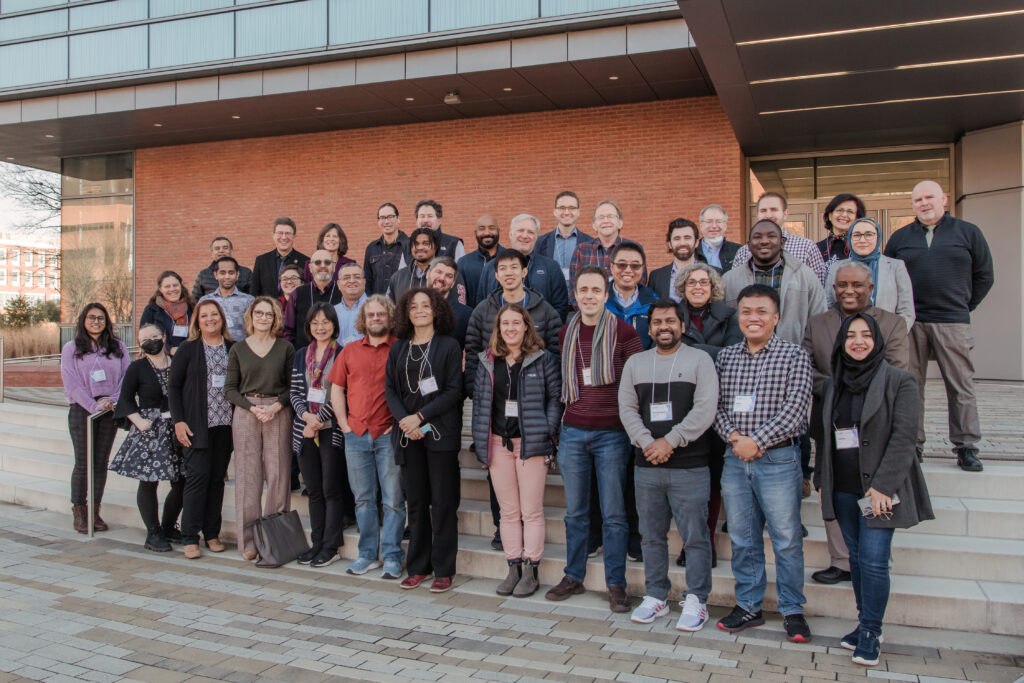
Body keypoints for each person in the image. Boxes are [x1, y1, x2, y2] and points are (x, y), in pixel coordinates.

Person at [813, 313, 933, 666]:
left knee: (875, 561)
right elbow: (825, 436)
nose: (859, 341)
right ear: (842, 342)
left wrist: (882, 487)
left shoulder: (900, 381)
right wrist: (823, 481)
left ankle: (871, 630)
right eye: (851, 335)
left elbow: (904, 438)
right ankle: (865, 622)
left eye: (866, 335)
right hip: (845, 489)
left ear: (877, 341)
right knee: (856, 558)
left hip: (877, 492)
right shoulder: (835, 384)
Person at [714, 284, 813, 643]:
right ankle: (749, 606)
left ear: (775, 317)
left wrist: (757, 441)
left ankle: (792, 610)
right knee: (743, 538)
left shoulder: (795, 356)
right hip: (735, 459)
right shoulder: (725, 358)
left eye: (760, 312)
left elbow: (796, 409)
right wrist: (737, 439)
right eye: (745, 311)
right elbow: (717, 408)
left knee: (786, 539)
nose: (752, 318)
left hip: (779, 460)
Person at [803, 261, 910, 586]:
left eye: (857, 285)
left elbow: (896, 367)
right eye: (842, 285)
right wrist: (838, 387)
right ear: (833, 288)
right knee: (835, 490)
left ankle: (875, 561)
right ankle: (842, 560)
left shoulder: (891, 324)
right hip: (832, 422)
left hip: (877, 427)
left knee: (873, 496)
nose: (849, 291)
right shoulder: (818, 322)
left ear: (871, 288)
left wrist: (847, 384)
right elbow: (806, 368)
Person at [545, 266, 643, 613]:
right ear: (576, 295)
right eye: (583, 289)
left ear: (607, 294)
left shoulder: (625, 331)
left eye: (596, 290)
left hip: (612, 435)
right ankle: (573, 574)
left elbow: (636, 384)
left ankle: (616, 582)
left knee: (614, 513)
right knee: (576, 513)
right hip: (572, 432)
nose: (588, 295)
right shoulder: (564, 332)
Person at [619, 300, 718, 630]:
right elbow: (627, 409)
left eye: (670, 321)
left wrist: (670, 441)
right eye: (658, 322)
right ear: (649, 328)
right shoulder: (635, 363)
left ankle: (697, 599)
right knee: (650, 536)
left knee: (695, 537)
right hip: (646, 465)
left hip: (689, 465)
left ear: (682, 326)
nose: (664, 327)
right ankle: (656, 595)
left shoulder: (699, 360)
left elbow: (705, 409)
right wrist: (648, 443)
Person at [884, 180, 994, 471]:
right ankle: (912, 446)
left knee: (961, 387)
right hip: (911, 324)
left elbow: (985, 276)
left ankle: (966, 447)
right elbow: (888, 278)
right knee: (910, 387)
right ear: (912, 205)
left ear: (943, 198)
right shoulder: (900, 238)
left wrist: (963, 306)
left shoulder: (968, 232)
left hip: (952, 322)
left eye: (929, 197)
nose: (924, 203)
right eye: (918, 199)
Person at [470, 303, 561, 597]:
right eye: (505, 324)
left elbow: (554, 399)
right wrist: (481, 443)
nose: (510, 328)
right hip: (498, 444)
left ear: (526, 327)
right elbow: (480, 404)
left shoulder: (542, 359)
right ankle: (513, 567)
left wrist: (547, 431)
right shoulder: (487, 360)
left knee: (531, 511)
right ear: (498, 328)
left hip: (530, 444)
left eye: (516, 323)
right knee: (509, 512)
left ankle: (531, 569)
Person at [384, 288, 464, 593]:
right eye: (413, 306)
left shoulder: (449, 346)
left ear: (436, 310)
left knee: (443, 503)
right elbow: (390, 390)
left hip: (440, 434)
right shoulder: (398, 348)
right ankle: (418, 566)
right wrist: (406, 421)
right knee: (415, 503)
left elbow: (453, 391)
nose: (419, 310)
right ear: (406, 312)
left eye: (425, 305)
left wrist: (420, 418)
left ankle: (444, 569)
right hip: (408, 436)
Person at [329, 295, 406, 579]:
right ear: (364, 319)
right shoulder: (349, 351)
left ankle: (393, 556)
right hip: (356, 435)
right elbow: (336, 388)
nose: (375, 318)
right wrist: (342, 423)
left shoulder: (400, 349)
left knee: (393, 500)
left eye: (380, 314)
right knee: (363, 499)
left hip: (388, 435)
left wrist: (397, 422)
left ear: (389, 317)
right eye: (371, 315)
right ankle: (367, 555)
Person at [673, 263, 742, 569]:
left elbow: (732, 357)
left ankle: (707, 541)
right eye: (692, 282)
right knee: (688, 484)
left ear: (713, 286)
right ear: (683, 287)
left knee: (712, 481)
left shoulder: (730, 317)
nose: (698, 287)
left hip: (720, 408)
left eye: (703, 282)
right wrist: (709, 353)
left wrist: (693, 353)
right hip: (682, 408)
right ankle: (690, 542)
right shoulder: (673, 316)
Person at [225, 297, 295, 561]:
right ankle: (249, 542)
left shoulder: (285, 347)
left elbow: (291, 385)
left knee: (278, 475)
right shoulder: (239, 349)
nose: (263, 318)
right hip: (247, 411)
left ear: (275, 318)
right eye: (259, 313)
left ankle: (273, 538)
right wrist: (251, 407)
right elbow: (230, 388)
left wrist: (276, 406)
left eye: (268, 314)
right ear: (250, 317)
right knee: (247, 477)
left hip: (277, 410)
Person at [168, 298, 234, 560]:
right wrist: (178, 421)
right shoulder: (188, 349)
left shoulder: (233, 348)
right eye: (204, 315)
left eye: (214, 315)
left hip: (225, 427)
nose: (210, 319)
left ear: (222, 318)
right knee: (197, 480)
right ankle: (189, 536)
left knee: (217, 481)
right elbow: (173, 387)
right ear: (197, 320)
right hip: (197, 426)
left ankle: (212, 533)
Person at [110, 323, 184, 552]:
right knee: (149, 480)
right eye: (145, 339)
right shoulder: (137, 367)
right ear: (140, 344)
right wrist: (138, 420)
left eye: (155, 336)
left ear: (163, 337)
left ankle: (168, 526)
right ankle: (153, 532)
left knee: (182, 481)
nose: (151, 341)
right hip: (150, 428)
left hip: (177, 426)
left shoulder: (178, 364)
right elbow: (125, 399)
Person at [290, 303, 353, 568]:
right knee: (313, 490)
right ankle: (316, 543)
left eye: (325, 322)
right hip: (304, 429)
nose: (320, 327)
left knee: (331, 489)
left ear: (334, 325)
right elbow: (293, 392)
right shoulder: (301, 354)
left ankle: (331, 545)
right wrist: (307, 417)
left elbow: (344, 392)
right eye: (315, 322)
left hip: (330, 431)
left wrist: (319, 420)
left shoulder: (343, 353)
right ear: (309, 326)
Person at [61, 303, 130, 534]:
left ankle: (95, 511)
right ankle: (79, 511)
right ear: (83, 320)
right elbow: (72, 384)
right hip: (83, 409)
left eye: (101, 318)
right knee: (83, 463)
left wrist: (111, 401)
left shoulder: (117, 347)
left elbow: (126, 378)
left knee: (100, 464)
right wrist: (93, 405)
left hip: (109, 409)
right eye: (91, 318)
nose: (96, 322)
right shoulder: (71, 348)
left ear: (106, 322)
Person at [465, 249, 562, 398]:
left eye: (514, 267)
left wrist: (551, 391)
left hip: (534, 395)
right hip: (492, 395)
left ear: (524, 272)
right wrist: (475, 390)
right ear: (496, 275)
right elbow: (472, 354)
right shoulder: (482, 311)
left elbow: (555, 355)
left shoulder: (545, 311)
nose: (508, 273)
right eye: (503, 268)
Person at [724, 219, 826, 345]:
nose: (764, 241)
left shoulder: (806, 276)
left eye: (771, 236)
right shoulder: (729, 280)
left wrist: (804, 357)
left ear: (782, 242)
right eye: (757, 237)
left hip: (793, 359)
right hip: (743, 361)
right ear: (749, 245)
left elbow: (820, 324)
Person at [826, 218, 916, 331]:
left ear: (877, 237)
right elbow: (828, 306)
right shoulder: (836, 268)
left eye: (869, 234)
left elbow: (906, 311)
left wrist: (893, 336)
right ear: (850, 238)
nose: (862, 240)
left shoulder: (895, 267)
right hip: (846, 338)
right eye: (857, 235)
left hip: (886, 337)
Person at [476, 214, 570, 321]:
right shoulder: (491, 267)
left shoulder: (551, 267)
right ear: (510, 234)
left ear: (536, 238)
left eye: (530, 232)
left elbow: (560, 306)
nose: (525, 236)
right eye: (520, 230)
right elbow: (481, 304)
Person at [732, 193, 828, 284]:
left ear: (785, 213)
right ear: (757, 214)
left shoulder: (807, 247)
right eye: (763, 210)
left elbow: (819, 288)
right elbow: (735, 287)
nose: (768, 215)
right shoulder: (744, 252)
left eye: (774, 209)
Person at [568, 200, 647, 304]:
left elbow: (641, 284)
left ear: (620, 223)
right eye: (601, 217)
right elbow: (574, 290)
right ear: (594, 225)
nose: (606, 220)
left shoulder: (634, 249)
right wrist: (589, 314)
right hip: (591, 315)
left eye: (610, 216)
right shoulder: (581, 250)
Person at [284, 249, 343, 350]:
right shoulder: (297, 293)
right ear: (310, 268)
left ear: (334, 266)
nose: (323, 265)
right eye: (318, 262)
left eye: (327, 262)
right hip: (303, 358)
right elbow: (289, 331)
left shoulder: (343, 292)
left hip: (337, 357)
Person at [606, 241, 658, 350]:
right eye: (621, 265)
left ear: (642, 268)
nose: (628, 270)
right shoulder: (600, 302)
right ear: (611, 267)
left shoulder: (654, 304)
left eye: (635, 265)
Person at [535, 190, 595, 281]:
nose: (567, 212)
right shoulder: (540, 242)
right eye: (562, 208)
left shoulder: (591, 243)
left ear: (578, 212)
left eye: (572, 208)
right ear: (555, 212)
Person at [198, 256, 254, 342]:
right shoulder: (205, 301)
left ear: (237, 275)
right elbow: (198, 326)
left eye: (231, 273)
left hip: (240, 349)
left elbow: (254, 328)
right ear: (216, 275)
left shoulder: (248, 300)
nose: (227, 276)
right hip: (213, 348)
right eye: (222, 273)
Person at [250, 217, 310, 297]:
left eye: (288, 233)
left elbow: (308, 291)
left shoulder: (306, 261)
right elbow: (254, 292)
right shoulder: (261, 261)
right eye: (280, 233)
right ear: (273, 236)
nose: (284, 237)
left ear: (294, 236)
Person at [140, 270, 195, 353]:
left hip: (189, 358)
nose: (172, 289)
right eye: (167, 286)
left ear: (181, 286)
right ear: (160, 289)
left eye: (175, 285)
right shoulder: (151, 311)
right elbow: (145, 340)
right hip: (161, 360)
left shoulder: (192, 308)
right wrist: (169, 349)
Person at [648, 219, 703, 301]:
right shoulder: (656, 276)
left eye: (687, 238)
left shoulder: (712, 272)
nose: (682, 243)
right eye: (677, 238)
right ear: (670, 244)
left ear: (696, 243)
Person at [364, 202, 410, 296]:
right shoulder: (372, 248)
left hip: (402, 304)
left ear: (398, 219)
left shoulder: (410, 245)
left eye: (390, 217)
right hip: (378, 306)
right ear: (378, 221)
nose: (386, 221)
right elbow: (367, 280)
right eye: (382, 217)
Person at [427, 256, 472, 348]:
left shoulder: (465, 314)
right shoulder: (411, 306)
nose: (442, 278)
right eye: (438, 272)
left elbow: (472, 350)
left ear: (453, 283)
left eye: (449, 276)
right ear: (428, 274)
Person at [459, 214, 503, 308]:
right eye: (482, 228)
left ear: (498, 231)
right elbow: (461, 299)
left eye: (492, 228)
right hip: (474, 319)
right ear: (475, 233)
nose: (487, 232)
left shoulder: (510, 258)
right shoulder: (464, 263)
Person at [817, 193, 866, 271]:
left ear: (857, 218)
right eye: (840, 210)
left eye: (850, 212)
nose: (844, 215)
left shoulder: (864, 247)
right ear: (830, 216)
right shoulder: (816, 249)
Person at [388, 227, 440, 301]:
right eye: (416, 244)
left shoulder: (447, 275)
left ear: (436, 246)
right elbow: (389, 308)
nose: (420, 247)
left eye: (425, 243)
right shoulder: (397, 277)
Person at [697, 204, 741, 273]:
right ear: (701, 226)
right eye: (709, 221)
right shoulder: (692, 252)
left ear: (725, 226)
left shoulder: (738, 251)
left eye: (718, 221)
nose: (714, 226)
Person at [334, 262, 368, 345]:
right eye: (346, 278)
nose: (352, 281)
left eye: (357, 277)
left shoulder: (377, 309)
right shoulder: (332, 311)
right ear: (339, 284)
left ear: (364, 282)